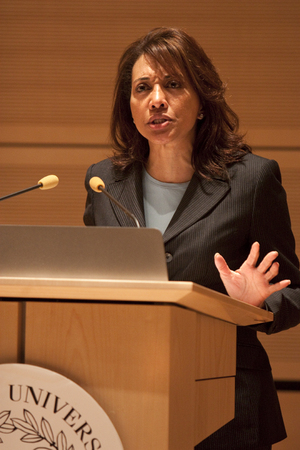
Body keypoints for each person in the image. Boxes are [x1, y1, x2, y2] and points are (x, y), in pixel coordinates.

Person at [83, 27, 300, 449]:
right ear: (129, 106)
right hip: (125, 397)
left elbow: (296, 290)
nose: (156, 98)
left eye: (174, 84)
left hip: (226, 403)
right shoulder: (103, 182)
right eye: (142, 87)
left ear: (202, 101)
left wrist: (257, 305)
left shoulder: (252, 180)